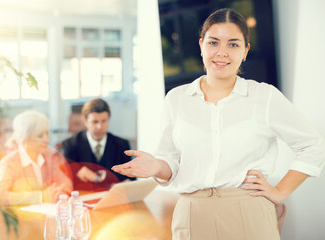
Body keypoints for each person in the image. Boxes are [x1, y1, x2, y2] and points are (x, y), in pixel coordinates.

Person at [112, 8, 325, 240]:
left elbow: (313, 145)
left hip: (248, 212)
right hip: (191, 213)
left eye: (233, 44)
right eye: (214, 42)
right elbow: (171, 160)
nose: (222, 52)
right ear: (201, 45)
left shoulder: (264, 96)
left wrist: (280, 191)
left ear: (245, 51)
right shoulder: (176, 98)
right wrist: (157, 166)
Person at [0, 111, 73, 206]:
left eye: (47, 133)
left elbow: (65, 182)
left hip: (42, 215)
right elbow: (0, 196)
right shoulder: (9, 162)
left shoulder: (49, 158)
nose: (47, 139)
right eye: (40, 136)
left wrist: (60, 192)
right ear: (25, 138)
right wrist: (40, 196)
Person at [62, 98, 135, 190]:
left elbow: (131, 178)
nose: (100, 127)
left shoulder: (122, 145)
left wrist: (125, 184)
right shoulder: (70, 145)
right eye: (95, 122)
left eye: (104, 121)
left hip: (114, 198)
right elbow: (66, 179)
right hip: (84, 198)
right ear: (85, 121)